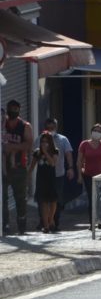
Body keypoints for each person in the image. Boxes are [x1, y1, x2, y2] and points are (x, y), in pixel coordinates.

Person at [36, 118, 74, 231]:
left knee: (55, 199)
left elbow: (68, 154)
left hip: (58, 175)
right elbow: (34, 154)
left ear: (56, 128)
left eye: (52, 128)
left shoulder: (63, 139)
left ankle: (54, 221)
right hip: (43, 176)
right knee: (42, 199)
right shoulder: (39, 139)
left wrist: (70, 168)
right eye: (48, 128)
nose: (50, 130)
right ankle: (43, 222)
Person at [2, 100, 34, 235]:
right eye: (11, 108)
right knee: (2, 198)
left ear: (19, 110)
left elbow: (29, 145)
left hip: (19, 167)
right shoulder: (3, 124)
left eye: (15, 108)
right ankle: (5, 225)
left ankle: (22, 225)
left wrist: (12, 147)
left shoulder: (25, 126)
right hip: (3, 167)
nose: (13, 110)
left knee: (20, 197)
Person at [77, 123, 101, 229]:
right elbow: (79, 161)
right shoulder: (84, 144)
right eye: (95, 131)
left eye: (99, 131)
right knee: (92, 198)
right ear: (91, 132)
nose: (96, 133)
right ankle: (92, 222)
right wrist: (79, 175)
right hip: (88, 175)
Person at [30, 131, 59, 233]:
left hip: (51, 179)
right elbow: (32, 165)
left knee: (53, 201)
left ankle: (51, 220)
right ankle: (46, 225)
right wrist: (28, 176)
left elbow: (52, 163)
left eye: (46, 141)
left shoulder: (55, 151)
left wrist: (46, 152)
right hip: (41, 180)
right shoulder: (37, 152)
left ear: (50, 142)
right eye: (42, 141)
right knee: (43, 202)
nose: (44, 143)